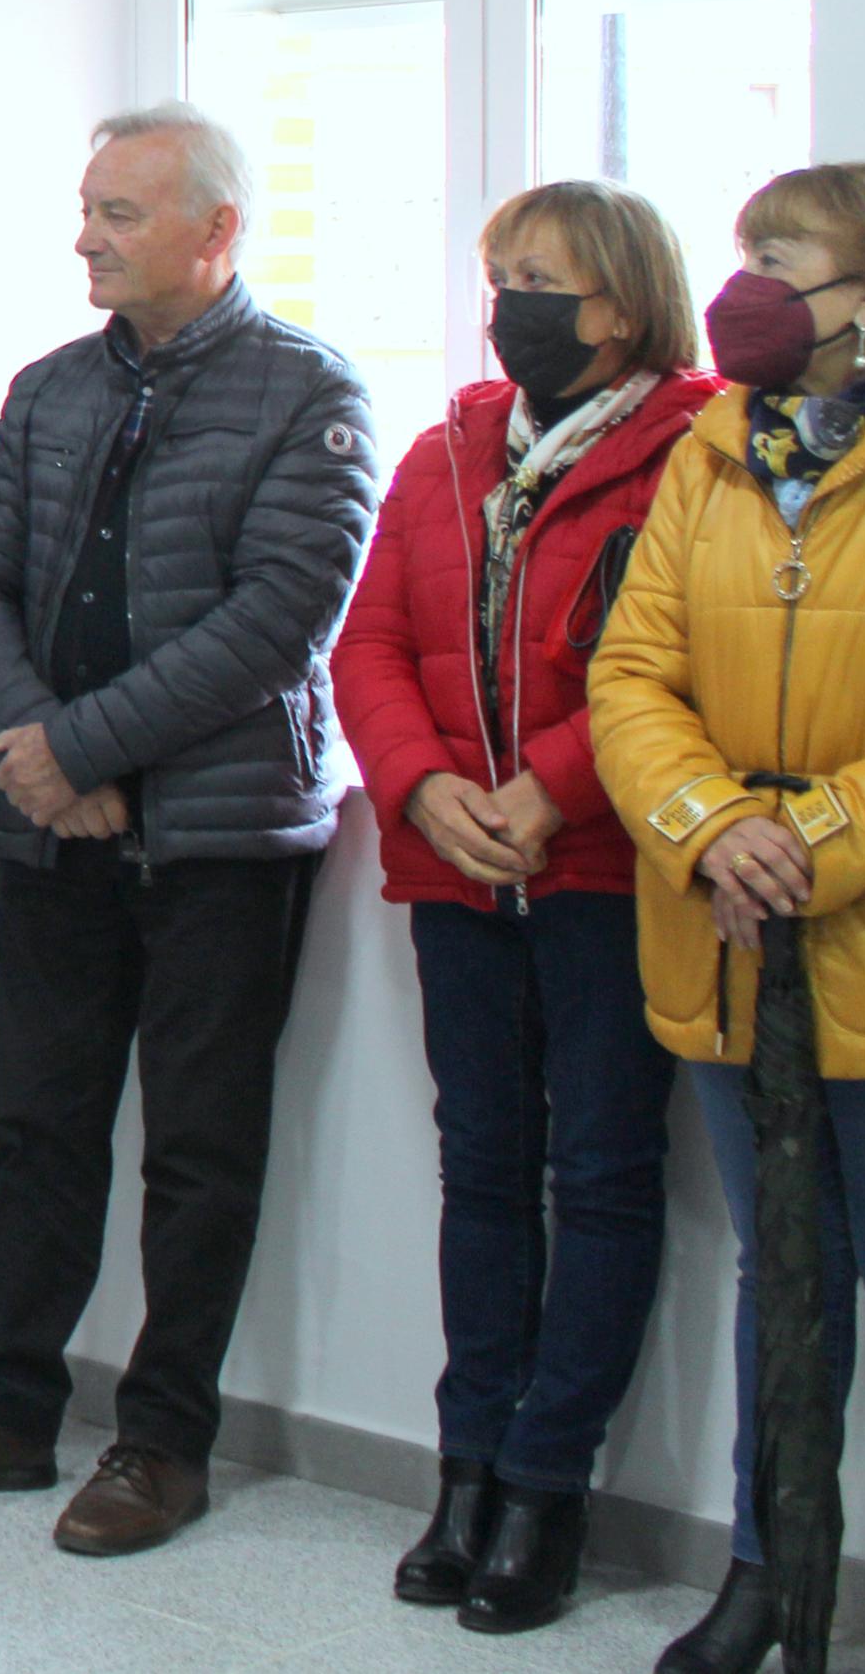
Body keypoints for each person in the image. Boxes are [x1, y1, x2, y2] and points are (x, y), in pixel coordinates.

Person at [0, 101, 375, 1557]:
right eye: (84, 207)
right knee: (39, 1129)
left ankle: (160, 1442)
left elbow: (276, 620)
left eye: (118, 212)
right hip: (49, 828)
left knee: (197, 1152)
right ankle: (3, 1408)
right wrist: (34, 747)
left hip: (215, 841)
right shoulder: (50, 383)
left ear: (215, 230)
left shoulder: (304, 390)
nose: (83, 233)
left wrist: (77, 744)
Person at [336, 181, 709, 1632]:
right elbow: (366, 641)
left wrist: (551, 787)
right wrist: (421, 788)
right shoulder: (445, 447)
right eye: (494, 272)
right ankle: (466, 1465)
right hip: (453, 869)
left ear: (616, 300)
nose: (505, 300)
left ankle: (546, 1484)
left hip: (602, 867)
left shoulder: (693, 449)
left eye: (536, 275)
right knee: (479, 1167)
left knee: (604, 1175)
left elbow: (667, 659)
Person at [593, 163, 865, 1674]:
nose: (745, 283)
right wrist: (711, 824)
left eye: (777, 254)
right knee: (776, 1271)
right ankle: (760, 1571)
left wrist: (816, 834)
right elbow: (628, 671)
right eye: (740, 250)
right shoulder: (713, 450)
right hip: (726, 929)